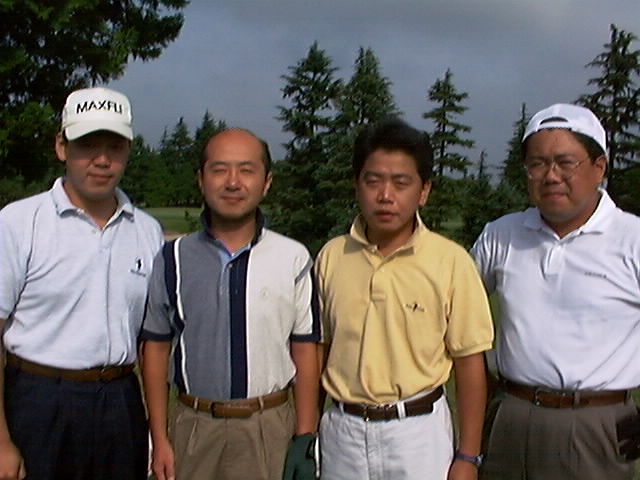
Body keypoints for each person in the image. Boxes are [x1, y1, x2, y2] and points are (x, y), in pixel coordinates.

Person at [315, 118, 494, 480]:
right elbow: (319, 350)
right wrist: (308, 433)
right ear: (356, 184)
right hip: (342, 433)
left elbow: (470, 363)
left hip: (418, 434)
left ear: (423, 191)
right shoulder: (332, 256)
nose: (386, 195)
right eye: (373, 181)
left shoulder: (451, 261)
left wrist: (468, 456)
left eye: (401, 183)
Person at [0, 86, 164, 480]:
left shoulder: (147, 230)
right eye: (87, 145)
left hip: (120, 401)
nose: (102, 160)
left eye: (115, 147)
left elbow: (153, 341)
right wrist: (1, 440)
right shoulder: (17, 223)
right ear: (61, 147)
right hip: (39, 400)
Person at [471, 103, 640, 479]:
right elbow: (453, 311)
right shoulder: (501, 234)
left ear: (599, 167)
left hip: (596, 424)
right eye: (537, 164)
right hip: (510, 416)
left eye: (566, 163)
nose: (550, 176)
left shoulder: (632, 239)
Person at [141, 128, 321, 480]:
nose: (233, 182)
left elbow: (304, 351)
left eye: (246, 170)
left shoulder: (293, 257)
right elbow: (156, 349)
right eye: (220, 169)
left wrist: (304, 436)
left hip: (268, 428)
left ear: (266, 182)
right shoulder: (173, 258)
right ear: (201, 179)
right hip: (193, 426)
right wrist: (159, 438)